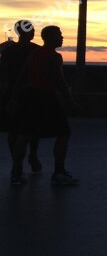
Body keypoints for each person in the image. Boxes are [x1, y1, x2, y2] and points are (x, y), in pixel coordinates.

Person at [10, 26, 78, 186]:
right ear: (50, 38)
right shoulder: (54, 56)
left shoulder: (34, 54)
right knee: (64, 133)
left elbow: (22, 76)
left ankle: (16, 172)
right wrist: (70, 100)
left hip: (29, 96)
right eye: (59, 35)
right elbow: (60, 81)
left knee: (23, 134)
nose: (62, 37)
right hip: (46, 97)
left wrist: (14, 98)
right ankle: (59, 172)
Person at [0, 20, 42, 174]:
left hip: (10, 92)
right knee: (32, 129)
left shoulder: (7, 51)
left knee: (14, 130)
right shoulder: (36, 51)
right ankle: (31, 156)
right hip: (31, 92)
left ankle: (17, 162)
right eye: (31, 29)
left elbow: (3, 73)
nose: (33, 32)